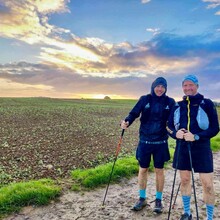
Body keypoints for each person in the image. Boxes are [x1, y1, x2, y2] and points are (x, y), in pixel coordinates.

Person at [166, 74, 219, 220]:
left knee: (207, 184)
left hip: (202, 148)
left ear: (197, 86)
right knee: (184, 180)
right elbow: (168, 126)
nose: (187, 88)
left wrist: (196, 136)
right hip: (182, 147)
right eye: (185, 85)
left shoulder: (207, 103)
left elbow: (215, 128)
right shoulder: (178, 105)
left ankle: (209, 217)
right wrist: (176, 134)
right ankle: (187, 213)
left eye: (191, 85)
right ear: (182, 87)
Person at [120, 77, 175, 213]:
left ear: (166, 88)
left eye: (163, 86)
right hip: (145, 141)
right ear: (153, 86)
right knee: (143, 169)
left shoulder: (170, 102)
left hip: (161, 142)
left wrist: (177, 132)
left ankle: (158, 200)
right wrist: (127, 121)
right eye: (158, 86)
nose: (160, 89)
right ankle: (142, 198)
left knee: (159, 171)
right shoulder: (145, 99)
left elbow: (173, 121)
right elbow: (134, 113)